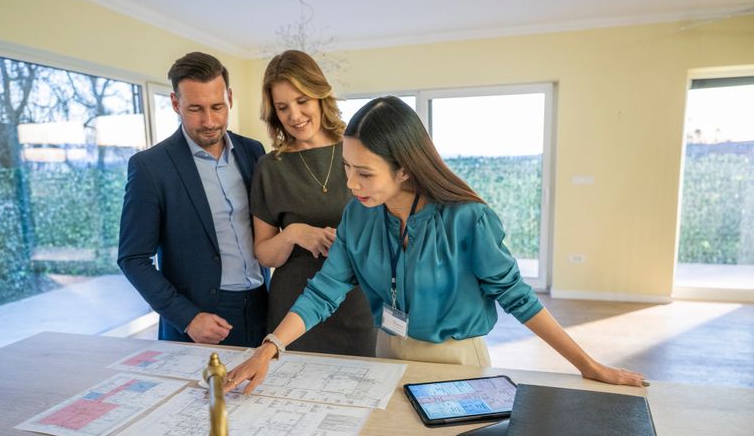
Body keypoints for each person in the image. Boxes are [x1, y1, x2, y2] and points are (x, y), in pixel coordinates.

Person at [225, 95, 648, 393]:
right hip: (387, 349)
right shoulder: (358, 215)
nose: (352, 185)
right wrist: (270, 348)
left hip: (456, 360)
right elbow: (324, 291)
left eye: (366, 174)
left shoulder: (468, 219)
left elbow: (519, 298)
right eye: (348, 170)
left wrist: (588, 366)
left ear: (405, 169)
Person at [118, 52, 269, 347]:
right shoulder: (150, 167)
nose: (209, 121)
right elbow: (133, 258)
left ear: (230, 98)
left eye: (217, 107)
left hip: (262, 306)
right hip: (198, 322)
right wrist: (187, 317)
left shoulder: (254, 151)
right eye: (196, 109)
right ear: (175, 103)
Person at [249, 50, 377, 357]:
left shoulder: (360, 148)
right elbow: (264, 253)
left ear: (321, 96)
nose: (294, 115)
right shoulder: (269, 167)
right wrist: (292, 233)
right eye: (283, 107)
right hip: (292, 311)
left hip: (357, 302)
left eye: (302, 100)